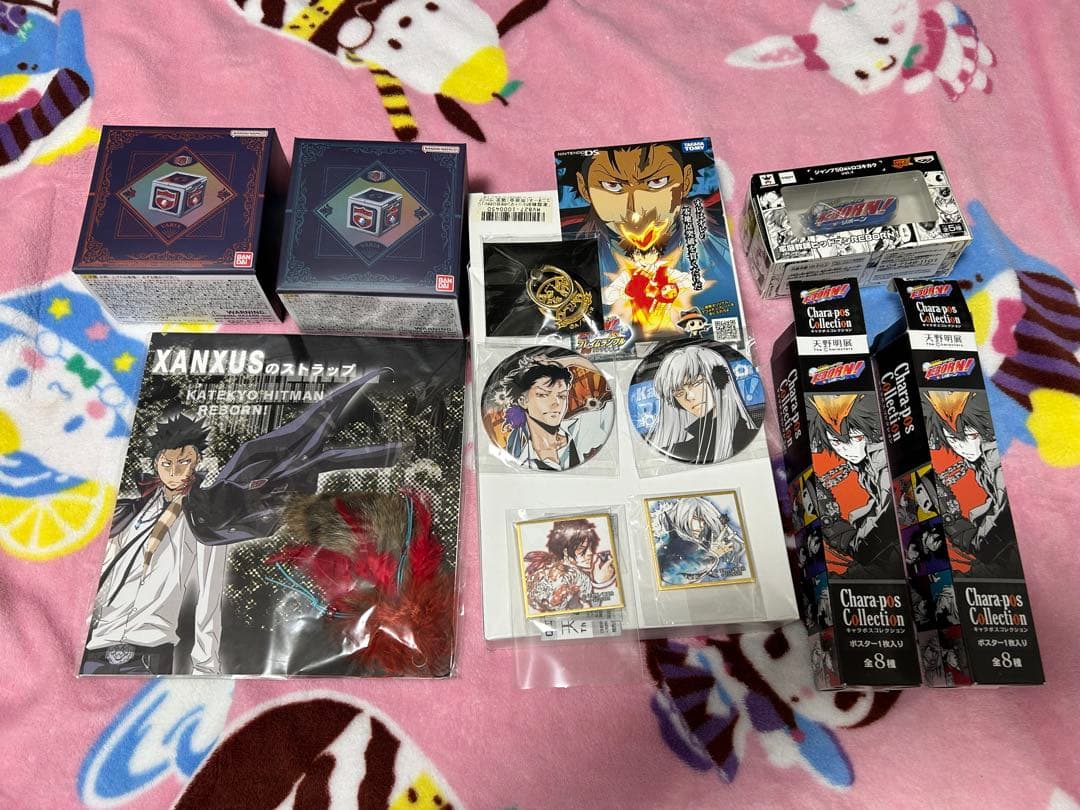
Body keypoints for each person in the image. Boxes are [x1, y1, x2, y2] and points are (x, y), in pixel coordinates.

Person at [82, 413, 226, 675]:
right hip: (97, 646)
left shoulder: (203, 517)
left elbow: (210, 593)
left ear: (197, 463)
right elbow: (100, 578)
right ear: (156, 464)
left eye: (184, 462)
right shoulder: (130, 512)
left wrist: (205, 668)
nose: (174, 472)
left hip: (151, 649)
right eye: (166, 463)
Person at [807, 393, 899, 577]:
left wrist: (848, 539)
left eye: (854, 438)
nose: (845, 449)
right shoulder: (865, 464)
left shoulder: (882, 462)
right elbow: (879, 502)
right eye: (836, 442)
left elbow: (888, 515)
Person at [498, 353, 613, 471]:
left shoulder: (578, 429)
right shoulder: (518, 455)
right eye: (543, 395)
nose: (556, 403)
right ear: (523, 401)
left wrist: (573, 361)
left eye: (562, 396)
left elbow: (616, 389)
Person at [647, 345, 756, 464]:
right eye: (679, 392)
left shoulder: (752, 438)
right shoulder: (674, 452)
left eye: (696, 383)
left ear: (719, 379)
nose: (689, 397)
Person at [523, 518, 618, 614]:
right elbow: (582, 612)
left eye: (590, 547)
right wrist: (600, 584)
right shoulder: (562, 578)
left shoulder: (577, 574)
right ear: (565, 551)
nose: (590, 553)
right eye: (582, 549)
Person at [658, 496, 748, 585]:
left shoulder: (704, 541)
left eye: (703, 521)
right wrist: (713, 555)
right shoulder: (667, 544)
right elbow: (674, 578)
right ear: (682, 516)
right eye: (696, 518)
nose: (701, 525)